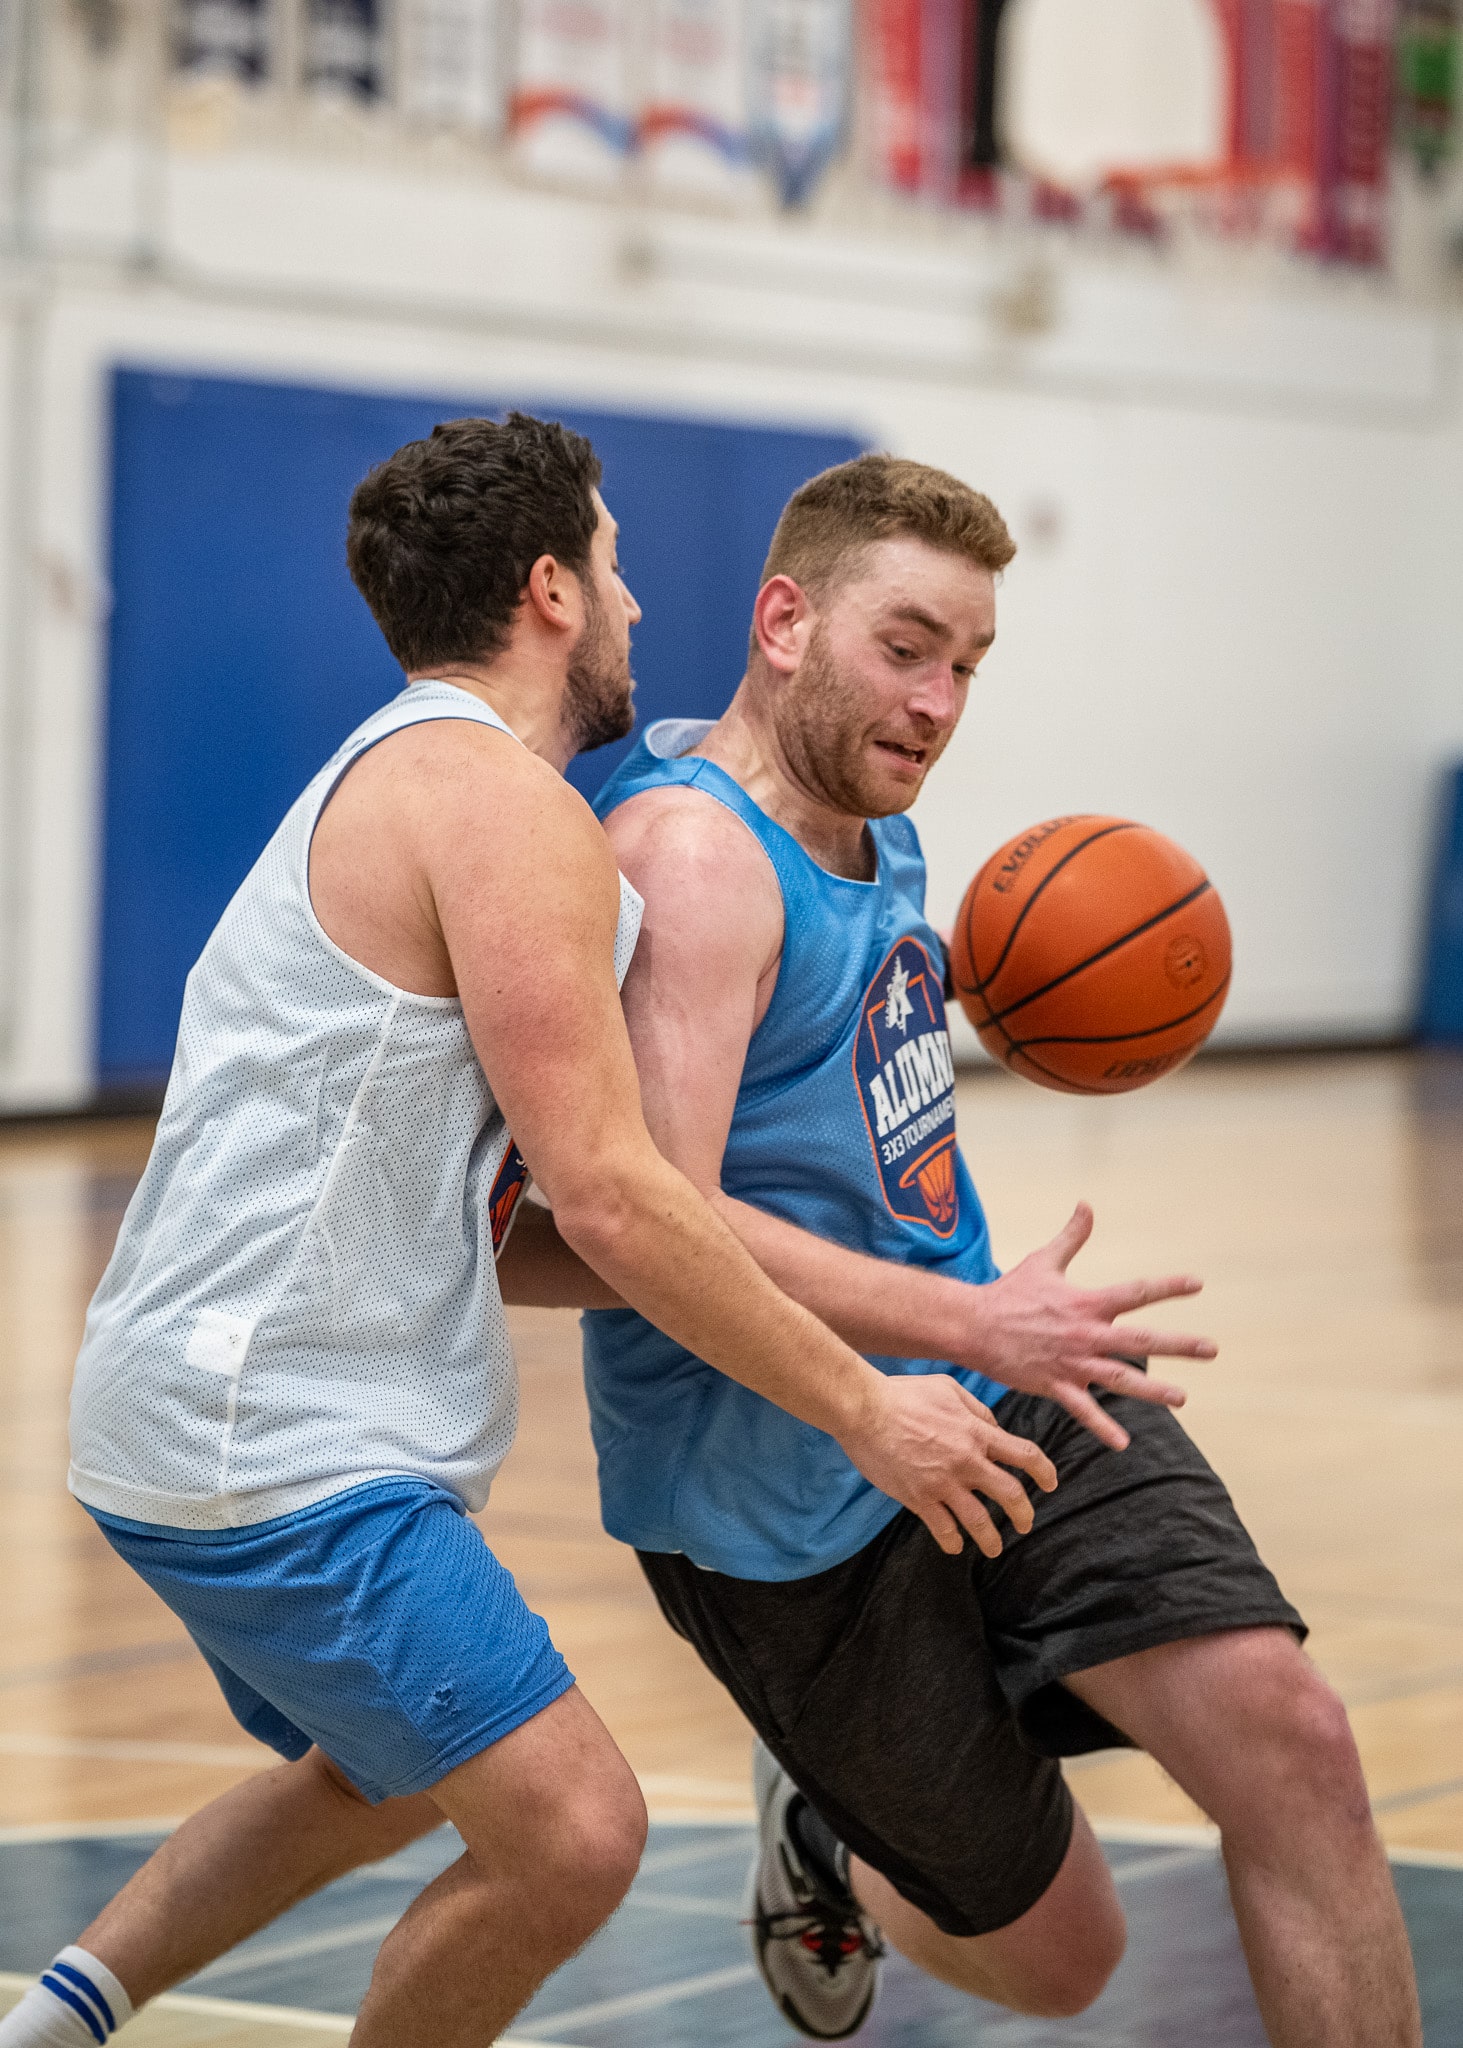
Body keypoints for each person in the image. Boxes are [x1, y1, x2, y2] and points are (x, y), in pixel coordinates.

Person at [2, 419, 1054, 2048]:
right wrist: (865, 1402)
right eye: (616, 568)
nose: (636, 606)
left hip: (192, 1409)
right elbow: (620, 1197)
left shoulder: (402, 770)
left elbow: (535, 1230)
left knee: (385, 1774)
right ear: (553, 590)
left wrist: (743, 1286)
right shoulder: (505, 810)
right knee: (573, 1834)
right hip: (278, 1439)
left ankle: (59, 2020)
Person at [573, 455, 1417, 2045]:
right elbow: (654, 1220)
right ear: (784, 623)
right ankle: (828, 1837)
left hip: (996, 1367)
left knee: (1295, 1745)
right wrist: (964, 1330)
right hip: (780, 1501)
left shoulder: (875, 823)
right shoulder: (691, 859)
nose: (939, 701)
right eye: (907, 649)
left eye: (968, 664)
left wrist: (980, 1315)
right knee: (1066, 1960)